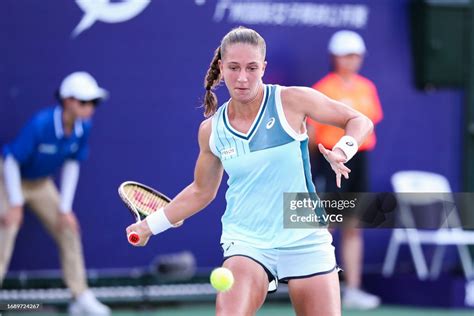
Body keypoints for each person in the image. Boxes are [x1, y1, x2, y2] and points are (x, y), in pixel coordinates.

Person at [127, 27, 373, 316]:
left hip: (305, 236)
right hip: (247, 242)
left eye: (252, 68)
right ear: (221, 67)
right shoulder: (212, 130)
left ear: (263, 68)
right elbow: (201, 191)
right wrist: (149, 225)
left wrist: (343, 150)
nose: (242, 78)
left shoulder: (291, 101)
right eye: (233, 67)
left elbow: (358, 120)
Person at [0, 72, 111, 315]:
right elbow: (10, 160)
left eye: (94, 103)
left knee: (68, 228)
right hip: (9, 180)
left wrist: (64, 209)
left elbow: (72, 163)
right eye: (85, 102)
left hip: (40, 184)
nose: (90, 107)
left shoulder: (84, 127)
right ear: (68, 101)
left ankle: (79, 296)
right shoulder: (41, 124)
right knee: (6, 230)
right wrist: (16, 204)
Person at [307, 30, 383, 310]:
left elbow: (367, 124)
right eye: (347, 55)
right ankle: (318, 288)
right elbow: (312, 134)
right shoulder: (322, 88)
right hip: (331, 162)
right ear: (336, 57)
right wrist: (322, 162)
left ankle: (352, 288)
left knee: (353, 226)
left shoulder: (367, 88)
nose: (352, 60)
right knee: (326, 227)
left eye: (356, 55)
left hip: (360, 161)